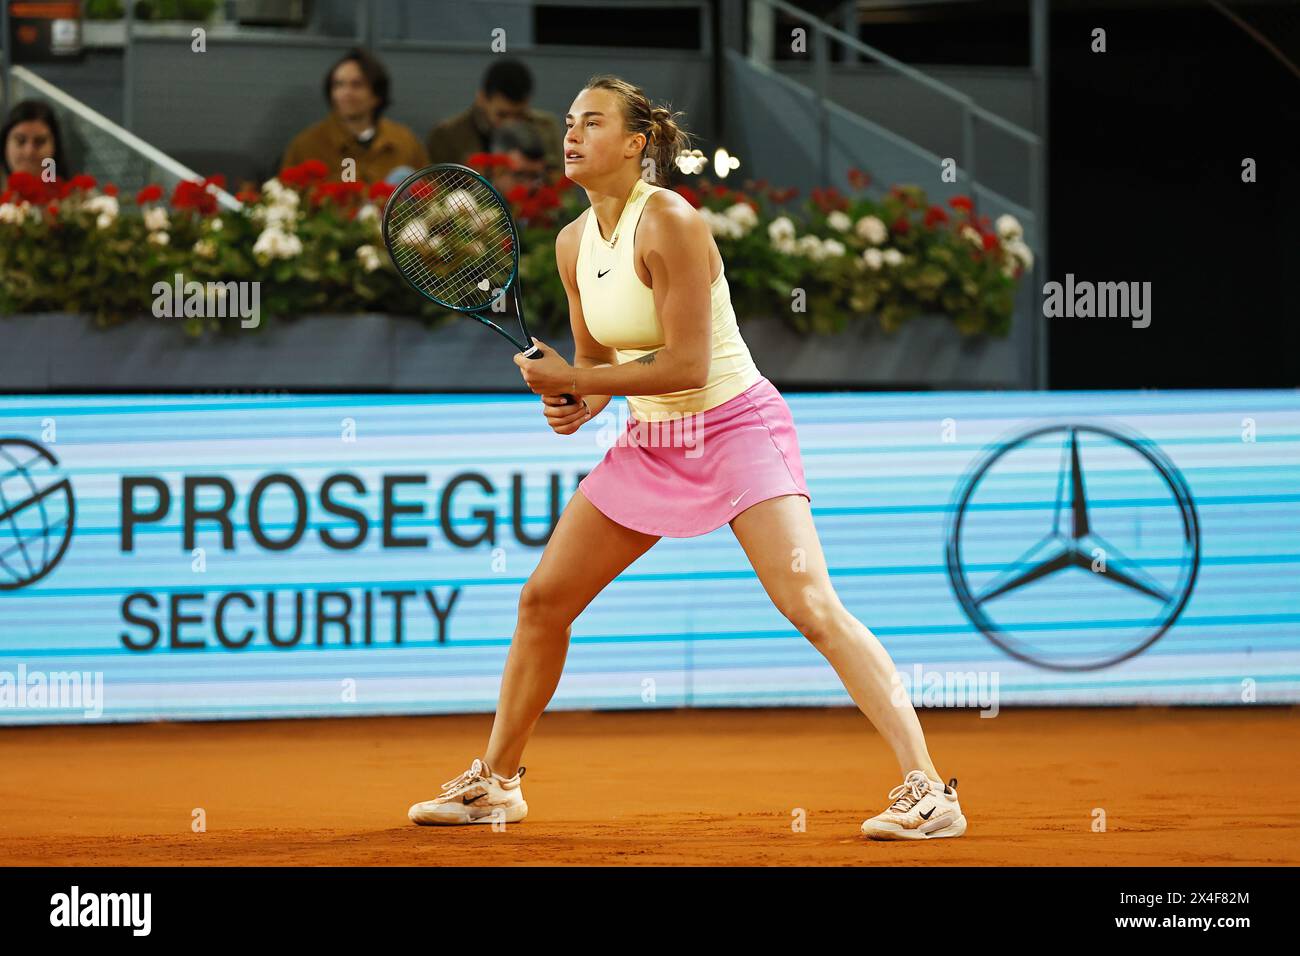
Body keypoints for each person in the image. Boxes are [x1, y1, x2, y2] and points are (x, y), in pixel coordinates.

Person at [406, 75, 968, 842]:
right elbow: (601, 364)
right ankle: (497, 784)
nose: (571, 134)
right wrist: (574, 400)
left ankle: (930, 790)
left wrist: (577, 378)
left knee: (809, 605)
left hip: (736, 426)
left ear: (636, 145)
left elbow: (688, 366)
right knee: (543, 601)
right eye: (568, 122)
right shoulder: (573, 244)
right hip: (653, 439)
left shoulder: (670, 221)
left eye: (592, 122)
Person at [280, 47, 428, 184]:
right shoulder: (306, 145)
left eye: (357, 85)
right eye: (339, 85)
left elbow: (430, 196)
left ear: (377, 95)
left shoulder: (405, 142)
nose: (346, 93)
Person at [426, 58, 564, 183]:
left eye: (519, 115)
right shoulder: (447, 136)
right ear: (481, 99)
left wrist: (537, 172)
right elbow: (436, 193)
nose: (510, 123)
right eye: (502, 115)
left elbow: (561, 182)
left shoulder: (546, 128)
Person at [1, 100, 66, 189]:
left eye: (40, 141)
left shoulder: (73, 199)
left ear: (55, 146)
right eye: (20, 141)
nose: (29, 151)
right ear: (5, 143)